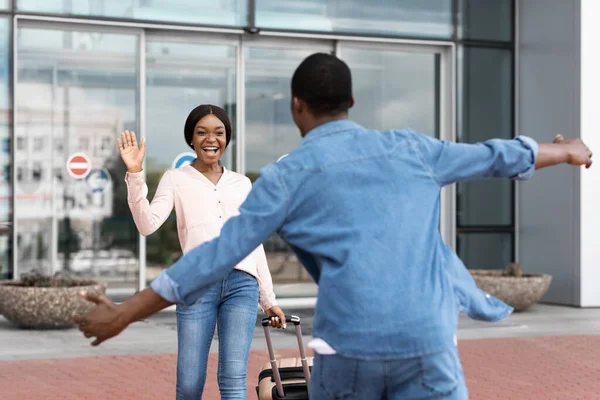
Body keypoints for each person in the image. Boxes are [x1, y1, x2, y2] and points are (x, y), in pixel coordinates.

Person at [75, 54, 593, 399]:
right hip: (428, 343)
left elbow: (214, 255)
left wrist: (126, 313)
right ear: (351, 105)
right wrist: (566, 150)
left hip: (349, 349)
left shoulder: (284, 178)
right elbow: (496, 156)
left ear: (297, 106)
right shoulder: (412, 148)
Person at [114, 104, 286, 400]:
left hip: (242, 284)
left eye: (219, 132)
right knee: (190, 383)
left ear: (226, 138)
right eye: (202, 132)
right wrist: (135, 174)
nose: (211, 139)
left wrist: (268, 300)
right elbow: (147, 224)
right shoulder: (175, 178)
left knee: (234, 380)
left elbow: (252, 242)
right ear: (191, 139)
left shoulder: (241, 183)